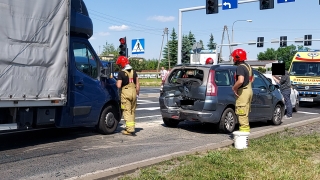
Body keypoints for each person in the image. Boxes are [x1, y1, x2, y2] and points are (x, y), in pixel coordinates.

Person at [231, 48, 254, 133]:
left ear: (237, 58)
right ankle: (246, 136)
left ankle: (243, 139)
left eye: (234, 58)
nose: (233, 59)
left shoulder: (240, 67)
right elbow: (252, 79)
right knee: (245, 113)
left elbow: (240, 80)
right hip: (249, 90)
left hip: (243, 92)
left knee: (241, 114)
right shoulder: (248, 67)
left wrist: (234, 88)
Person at [116, 56, 140, 135]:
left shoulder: (121, 73)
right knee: (132, 111)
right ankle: (132, 127)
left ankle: (129, 130)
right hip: (133, 93)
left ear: (122, 65)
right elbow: (137, 84)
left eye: (119, 65)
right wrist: (137, 94)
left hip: (126, 94)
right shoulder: (134, 72)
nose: (119, 67)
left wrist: (116, 82)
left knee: (127, 111)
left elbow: (119, 85)